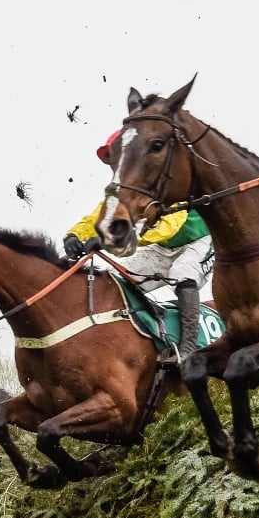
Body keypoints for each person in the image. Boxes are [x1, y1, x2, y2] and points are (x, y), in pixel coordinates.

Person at [64, 129, 214, 361]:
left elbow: (170, 226)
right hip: (164, 248)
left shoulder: (166, 179)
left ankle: (189, 348)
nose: (114, 164)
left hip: (201, 240)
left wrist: (112, 239)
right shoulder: (124, 189)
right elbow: (99, 216)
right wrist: (74, 235)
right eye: (111, 159)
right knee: (114, 279)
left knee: (183, 273)